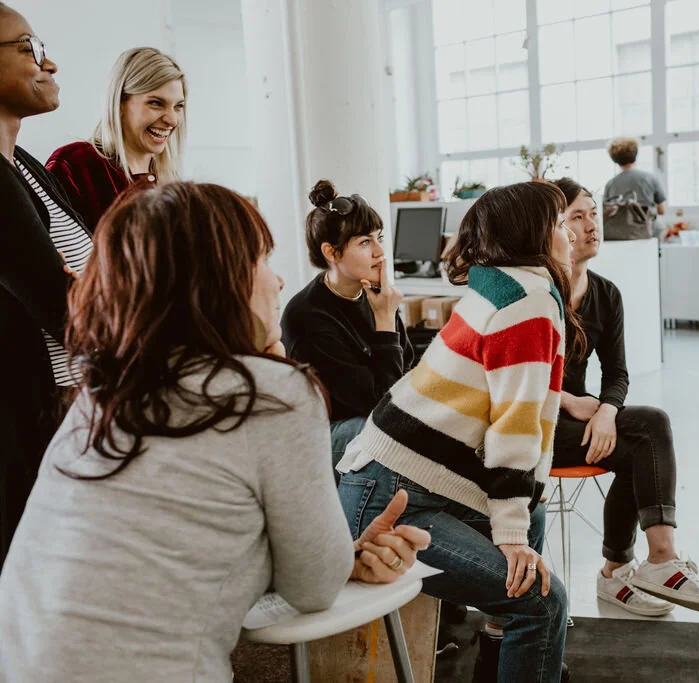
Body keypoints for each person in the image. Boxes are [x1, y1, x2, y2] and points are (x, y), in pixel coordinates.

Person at [0, 181, 429, 683]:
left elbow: (180, 547)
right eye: (263, 261)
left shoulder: (100, 391)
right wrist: (338, 554)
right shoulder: (270, 391)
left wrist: (337, 553)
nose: (278, 280)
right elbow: (313, 586)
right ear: (219, 281)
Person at [338, 181, 578, 683]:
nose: (571, 234)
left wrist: (517, 523)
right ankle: (522, 641)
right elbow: (515, 427)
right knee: (544, 601)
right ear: (533, 234)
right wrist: (509, 535)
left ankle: (507, 656)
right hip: (389, 498)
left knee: (529, 522)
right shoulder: (527, 303)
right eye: (560, 223)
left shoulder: (502, 283)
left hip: (395, 474)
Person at [549, 178, 699, 617]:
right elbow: (511, 378)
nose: (593, 225)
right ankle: (632, 568)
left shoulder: (605, 294)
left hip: (583, 414)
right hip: (533, 420)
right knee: (644, 437)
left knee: (648, 429)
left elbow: (617, 373)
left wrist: (607, 411)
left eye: (594, 213)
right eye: (578, 216)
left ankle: (640, 565)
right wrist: (571, 402)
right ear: (552, 228)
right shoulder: (536, 293)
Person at [0, 3, 93, 568]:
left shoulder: (27, 166)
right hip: (31, 430)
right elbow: (70, 309)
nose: (49, 62)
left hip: (72, 416)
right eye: (29, 48)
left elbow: (98, 280)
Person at [281, 180, 415, 469]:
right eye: (365, 242)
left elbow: (407, 374)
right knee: (394, 430)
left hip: (376, 419)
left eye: (379, 238)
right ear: (331, 252)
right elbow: (381, 406)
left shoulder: (372, 293)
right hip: (330, 435)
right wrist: (384, 320)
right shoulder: (307, 316)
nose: (380, 252)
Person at [46, 47, 185, 230]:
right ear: (120, 103)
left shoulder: (170, 183)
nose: (172, 120)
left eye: (178, 106)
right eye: (156, 103)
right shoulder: (76, 165)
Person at [603, 136, 667, 235]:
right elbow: (661, 211)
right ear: (635, 154)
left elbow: (606, 213)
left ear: (615, 159)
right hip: (648, 231)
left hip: (620, 234)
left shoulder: (610, 184)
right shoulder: (651, 178)